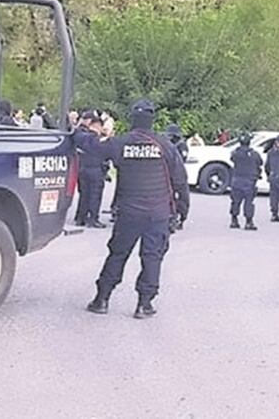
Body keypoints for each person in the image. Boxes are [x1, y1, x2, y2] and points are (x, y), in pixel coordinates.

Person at [84, 100, 190, 318]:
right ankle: (144, 305)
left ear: (132, 119)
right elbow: (180, 182)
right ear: (152, 120)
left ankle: (101, 299)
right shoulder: (166, 146)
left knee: (117, 254)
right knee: (152, 257)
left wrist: (85, 130)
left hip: (129, 212)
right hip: (158, 213)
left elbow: (93, 149)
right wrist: (182, 212)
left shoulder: (120, 143)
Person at [72, 110, 108, 229]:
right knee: (94, 194)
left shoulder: (78, 133)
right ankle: (93, 218)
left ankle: (80, 217)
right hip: (94, 168)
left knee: (84, 194)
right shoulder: (93, 137)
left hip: (83, 168)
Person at [229, 133, 263, 230]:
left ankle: (234, 220)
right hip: (249, 180)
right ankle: (249, 222)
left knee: (235, 201)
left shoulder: (235, 153)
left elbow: (232, 159)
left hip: (237, 179)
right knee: (249, 202)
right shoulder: (254, 154)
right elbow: (260, 163)